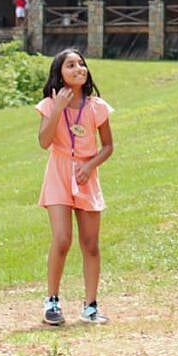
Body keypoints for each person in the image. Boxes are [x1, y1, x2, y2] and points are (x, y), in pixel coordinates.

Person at [35, 48, 114, 326]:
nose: (79, 68)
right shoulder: (48, 104)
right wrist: (57, 108)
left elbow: (108, 146)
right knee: (62, 239)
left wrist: (89, 166)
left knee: (90, 244)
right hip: (58, 173)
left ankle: (90, 306)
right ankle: (52, 302)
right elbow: (44, 142)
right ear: (59, 73)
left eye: (81, 64)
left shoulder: (97, 107)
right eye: (71, 65)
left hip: (86, 176)